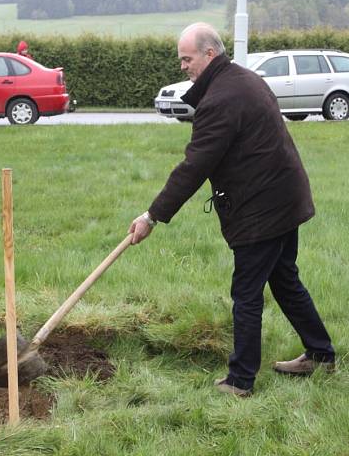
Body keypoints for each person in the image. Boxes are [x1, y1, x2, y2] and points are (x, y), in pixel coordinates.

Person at [129, 22, 335, 397]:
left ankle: (241, 379)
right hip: (284, 197)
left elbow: (194, 167)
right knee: (285, 280)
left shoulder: (221, 100)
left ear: (210, 54)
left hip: (264, 208)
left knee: (247, 293)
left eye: (187, 58)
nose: (182, 66)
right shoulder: (243, 79)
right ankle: (321, 354)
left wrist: (152, 216)